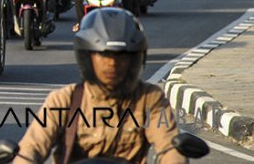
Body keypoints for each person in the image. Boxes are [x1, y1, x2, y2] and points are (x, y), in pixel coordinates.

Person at [12, 8, 187, 164]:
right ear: (87, 58)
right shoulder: (64, 100)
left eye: (121, 57)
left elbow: (168, 147)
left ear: (135, 59)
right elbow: (31, 149)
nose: (112, 64)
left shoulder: (149, 98)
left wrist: (175, 158)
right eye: (103, 56)